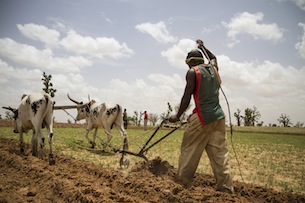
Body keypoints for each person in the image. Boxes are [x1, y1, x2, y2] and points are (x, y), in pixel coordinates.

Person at [168, 40, 234, 194]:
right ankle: (225, 188)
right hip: (218, 117)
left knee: (189, 149)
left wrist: (177, 116)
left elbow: (186, 97)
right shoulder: (214, 68)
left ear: (189, 63)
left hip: (202, 117)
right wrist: (203, 47)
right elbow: (214, 58)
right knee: (220, 154)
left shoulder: (193, 72)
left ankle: (183, 184)